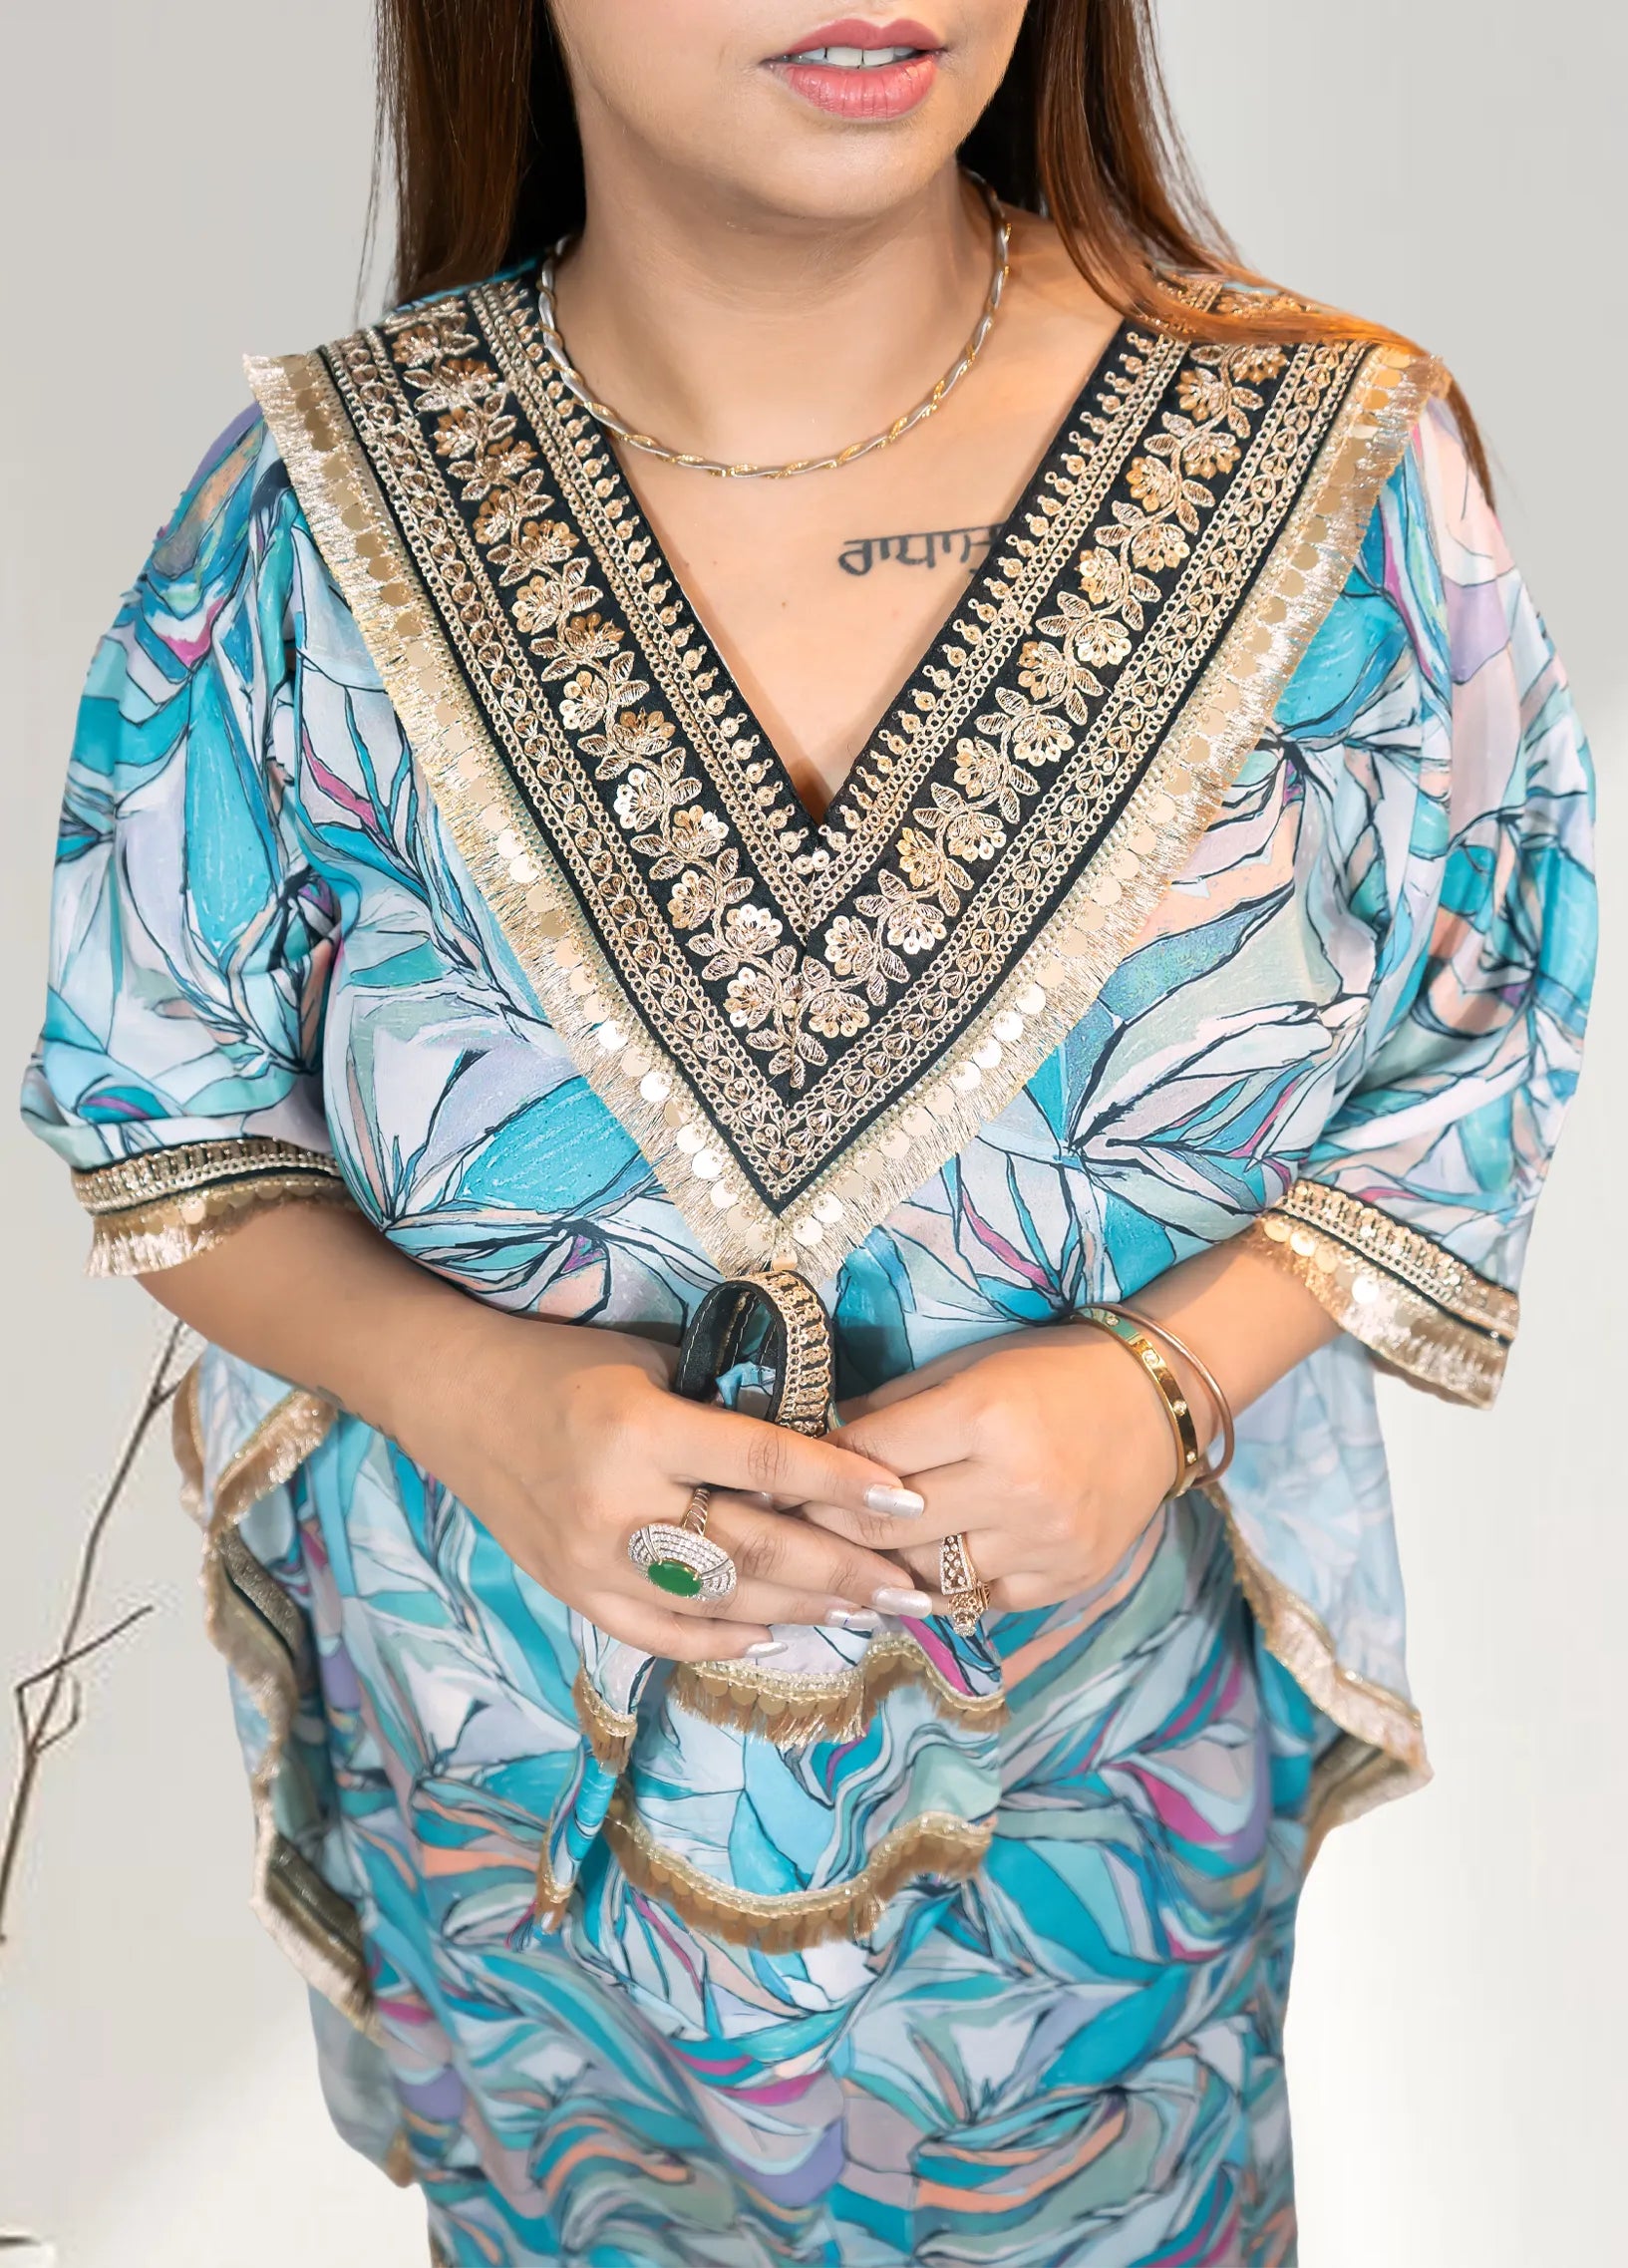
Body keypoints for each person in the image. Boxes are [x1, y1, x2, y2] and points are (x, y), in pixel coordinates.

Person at [20, 3, 1596, 2261]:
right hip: (515, 1845)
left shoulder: (1333, 479)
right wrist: (486, 1400)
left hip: (1088, 1863)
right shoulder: (309, 526)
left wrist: (1164, 1383)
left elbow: (1482, 1012)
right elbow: (153, 1108)